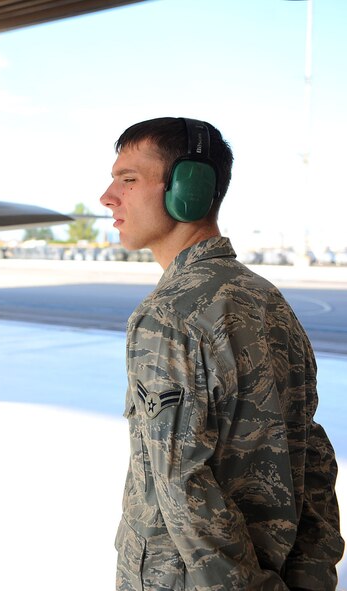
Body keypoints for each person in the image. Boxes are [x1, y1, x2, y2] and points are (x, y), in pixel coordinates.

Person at [99, 117, 344, 590]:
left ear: (188, 189)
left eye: (128, 180)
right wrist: (311, 578)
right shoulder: (267, 299)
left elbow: (182, 487)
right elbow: (313, 457)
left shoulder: (170, 314)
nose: (108, 197)